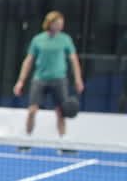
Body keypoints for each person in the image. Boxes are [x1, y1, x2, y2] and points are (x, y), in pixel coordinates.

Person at [13, 10, 85, 148]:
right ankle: (26, 139)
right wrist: (20, 81)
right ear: (49, 23)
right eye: (57, 23)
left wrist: (78, 80)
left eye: (61, 23)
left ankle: (63, 142)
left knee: (60, 112)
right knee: (32, 110)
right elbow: (28, 61)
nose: (60, 26)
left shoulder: (65, 39)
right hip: (40, 79)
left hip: (59, 80)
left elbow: (74, 60)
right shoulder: (38, 40)